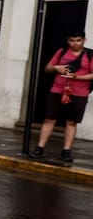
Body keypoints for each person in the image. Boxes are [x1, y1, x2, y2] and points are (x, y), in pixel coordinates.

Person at [30, 30, 93, 163]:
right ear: (68, 40)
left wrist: (76, 76)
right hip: (57, 90)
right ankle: (39, 148)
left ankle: (66, 151)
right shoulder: (62, 52)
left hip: (79, 93)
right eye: (72, 40)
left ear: (84, 40)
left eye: (78, 40)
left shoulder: (90, 55)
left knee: (71, 121)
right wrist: (57, 68)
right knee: (49, 119)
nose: (75, 43)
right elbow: (47, 68)